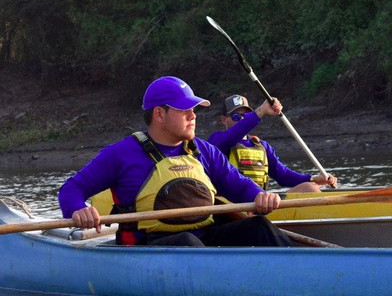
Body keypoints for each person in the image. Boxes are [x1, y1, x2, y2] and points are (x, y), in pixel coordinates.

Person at [58, 76, 295, 247]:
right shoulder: (120, 154)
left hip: (203, 241)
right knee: (187, 242)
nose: (193, 115)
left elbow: (240, 186)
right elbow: (71, 189)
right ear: (159, 114)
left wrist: (259, 196)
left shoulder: (205, 151)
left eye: (194, 109)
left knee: (259, 227)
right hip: (150, 247)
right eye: (185, 109)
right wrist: (79, 210)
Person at [207, 94, 337, 193]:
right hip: (232, 206)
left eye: (245, 115)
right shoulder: (216, 142)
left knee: (310, 188)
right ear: (224, 120)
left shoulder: (262, 146)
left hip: (260, 202)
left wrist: (314, 179)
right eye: (236, 116)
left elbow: (283, 176)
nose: (241, 119)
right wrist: (261, 111)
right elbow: (233, 135)